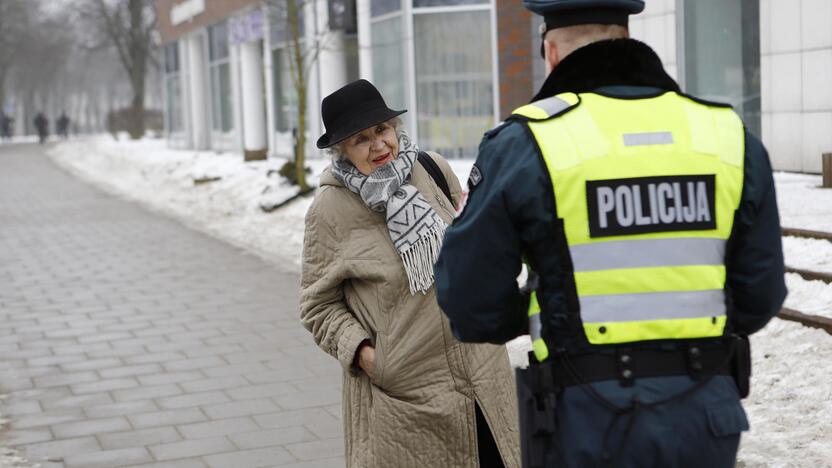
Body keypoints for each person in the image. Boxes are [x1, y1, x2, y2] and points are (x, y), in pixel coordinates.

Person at [434, 1, 787, 467]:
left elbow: (469, 298)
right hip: (704, 412)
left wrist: (548, 310)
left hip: (585, 415)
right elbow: (760, 293)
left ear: (552, 53)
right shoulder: (726, 134)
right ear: (625, 35)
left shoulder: (526, 143)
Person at [300, 79, 520, 468]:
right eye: (360, 140)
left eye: (382, 130)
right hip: (407, 392)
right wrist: (367, 355)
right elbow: (318, 306)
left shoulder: (433, 169)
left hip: (481, 371)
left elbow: (469, 245)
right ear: (342, 153)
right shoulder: (329, 210)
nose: (379, 145)